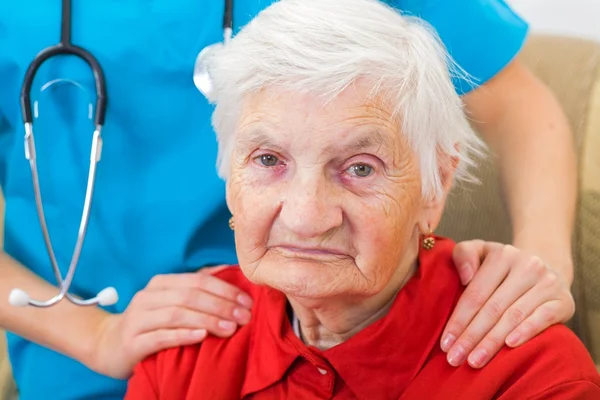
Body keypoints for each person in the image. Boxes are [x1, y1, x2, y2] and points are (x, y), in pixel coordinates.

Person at [0, 0, 576, 399]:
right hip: (110, 360)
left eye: (358, 167)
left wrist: (541, 267)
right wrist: (96, 336)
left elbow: (520, 111)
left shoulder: (532, 375)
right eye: (268, 160)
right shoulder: (180, 365)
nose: (306, 212)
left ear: (437, 187)